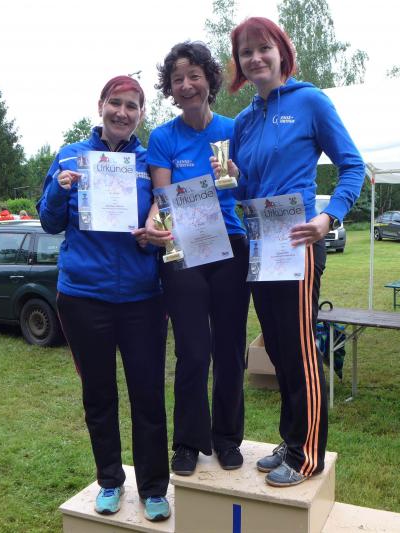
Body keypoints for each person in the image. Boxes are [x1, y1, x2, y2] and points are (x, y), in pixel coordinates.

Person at [217, 17, 365, 487]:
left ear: (281, 51)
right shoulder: (243, 121)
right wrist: (232, 179)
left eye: (263, 48)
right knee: (278, 349)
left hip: (299, 242)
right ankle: (291, 439)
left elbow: (353, 166)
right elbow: (246, 189)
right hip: (261, 241)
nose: (255, 58)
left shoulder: (310, 101)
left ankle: (308, 456)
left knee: (300, 350)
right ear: (239, 63)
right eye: (246, 52)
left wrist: (328, 217)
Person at [37, 75, 170, 522]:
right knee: (98, 395)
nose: (122, 112)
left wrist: (155, 233)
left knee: (147, 395)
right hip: (83, 296)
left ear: (141, 114)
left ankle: (154, 489)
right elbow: (50, 222)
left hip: (141, 297)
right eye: (116, 103)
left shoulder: (150, 161)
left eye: (132, 106)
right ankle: (110, 481)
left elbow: (166, 218)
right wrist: (60, 188)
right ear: (100, 106)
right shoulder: (70, 155)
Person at [144, 41, 250, 477]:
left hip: (231, 246)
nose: (186, 85)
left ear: (209, 80)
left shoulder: (234, 129)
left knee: (230, 347)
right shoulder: (163, 138)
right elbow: (161, 199)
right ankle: (188, 442)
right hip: (183, 249)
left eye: (194, 76)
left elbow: (248, 189)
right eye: (177, 79)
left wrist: (237, 176)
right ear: (169, 89)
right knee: (192, 350)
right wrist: (153, 225)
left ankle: (227, 438)